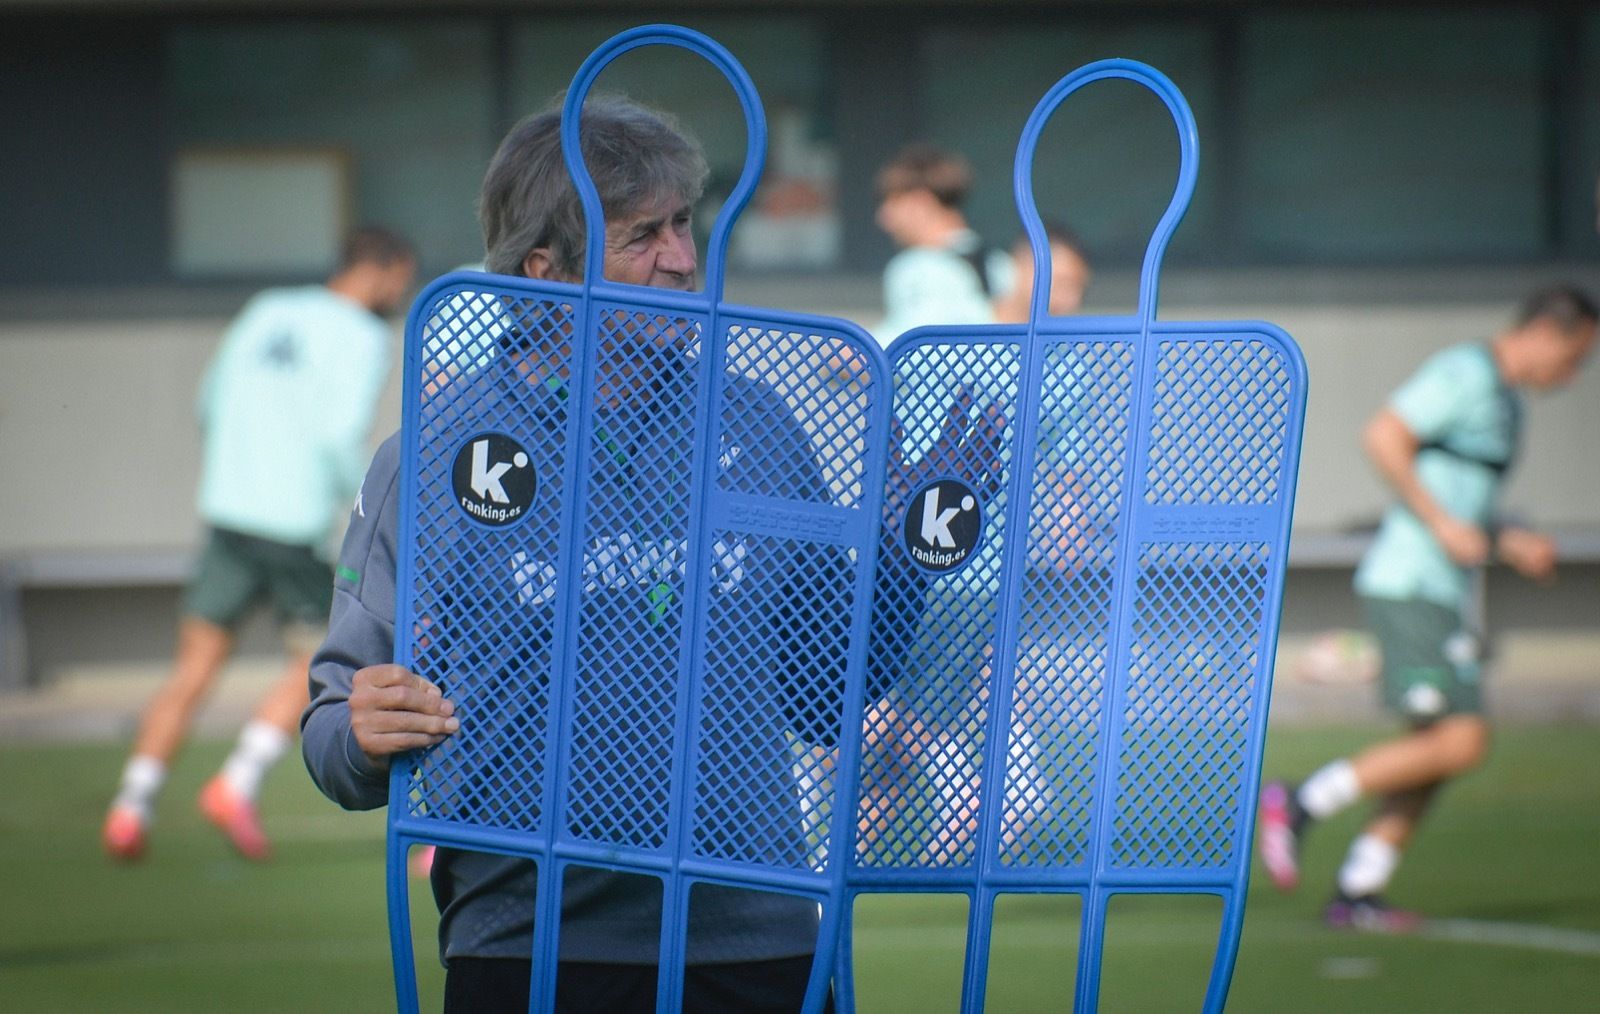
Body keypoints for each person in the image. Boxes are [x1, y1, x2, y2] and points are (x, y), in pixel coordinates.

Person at [301, 95, 998, 1013]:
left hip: (760, 938)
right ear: (545, 271)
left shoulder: (757, 418)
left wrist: (909, 553)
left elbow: (827, 697)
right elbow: (331, 722)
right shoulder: (434, 452)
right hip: (529, 946)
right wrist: (362, 729)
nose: (681, 258)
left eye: (682, 225)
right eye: (643, 237)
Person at [1258, 285, 1598, 931]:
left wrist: (1506, 539)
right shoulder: (1465, 373)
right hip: (1410, 583)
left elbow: (1466, 504)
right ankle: (1303, 799)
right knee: (1463, 741)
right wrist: (1442, 523)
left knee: (1438, 749)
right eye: (1577, 356)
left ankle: (1359, 889)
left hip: (1444, 590)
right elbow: (1385, 435)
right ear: (1547, 334)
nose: (1574, 374)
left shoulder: (1507, 406)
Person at [101, 226, 417, 862]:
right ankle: (236, 784)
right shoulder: (363, 337)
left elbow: (209, 400)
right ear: (380, 271)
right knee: (312, 666)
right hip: (295, 522)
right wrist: (351, 509)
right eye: (402, 281)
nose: (402, 295)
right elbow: (338, 437)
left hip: (229, 511)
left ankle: (131, 806)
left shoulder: (268, 307)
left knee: (193, 666)